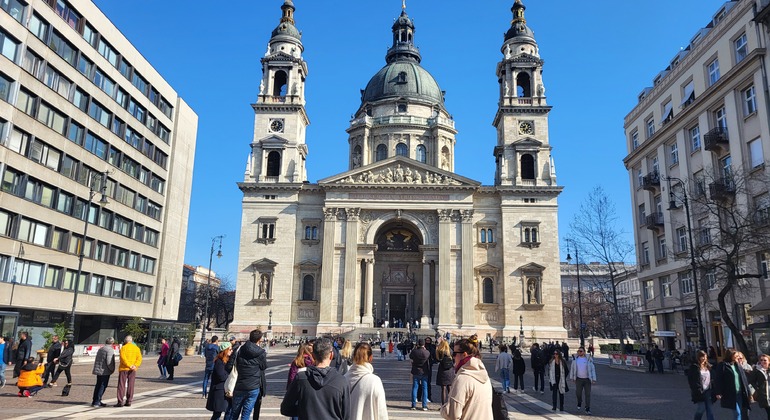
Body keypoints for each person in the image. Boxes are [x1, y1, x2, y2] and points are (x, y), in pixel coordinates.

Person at [280, 337, 350, 420]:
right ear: (331, 355)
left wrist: (305, 410)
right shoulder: (341, 381)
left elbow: (285, 409)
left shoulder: (301, 378)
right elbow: (346, 415)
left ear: (312, 355)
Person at [440, 338, 492, 419]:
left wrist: (443, 409)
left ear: (464, 355)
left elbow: (452, 414)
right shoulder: (485, 377)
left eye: (454, 354)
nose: (453, 357)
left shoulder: (463, 379)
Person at [227, 329, 267, 420]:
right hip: (253, 387)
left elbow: (229, 367)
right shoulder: (261, 352)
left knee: (234, 413)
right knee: (246, 414)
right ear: (259, 339)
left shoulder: (239, 349)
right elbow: (264, 366)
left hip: (239, 385)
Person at [345, 342, 388, 420]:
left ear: (353, 356)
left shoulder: (343, 379)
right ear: (371, 358)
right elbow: (381, 412)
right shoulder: (374, 381)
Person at [713, 349, 750, 420]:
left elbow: (743, 379)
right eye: (736, 356)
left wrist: (748, 391)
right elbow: (718, 380)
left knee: (741, 411)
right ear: (730, 356)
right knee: (737, 412)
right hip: (730, 393)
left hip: (740, 392)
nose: (737, 357)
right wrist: (718, 392)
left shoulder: (737, 365)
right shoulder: (723, 365)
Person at [207, 342, 233, 420]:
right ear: (225, 350)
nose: (231, 351)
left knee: (229, 410)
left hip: (225, 390)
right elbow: (221, 376)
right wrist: (229, 376)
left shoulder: (227, 361)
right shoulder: (219, 362)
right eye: (230, 349)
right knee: (217, 413)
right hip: (219, 391)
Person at [687, 350, 715, 420]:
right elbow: (692, 380)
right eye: (702, 357)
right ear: (698, 357)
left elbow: (713, 377)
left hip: (708, 390)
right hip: (700, 391)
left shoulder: (708, 366)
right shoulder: (695, 367)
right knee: (701, 408)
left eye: (705, 357)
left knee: (710, 410)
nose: (704, 359)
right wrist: (697, 390)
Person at [116, 335, 142, 407]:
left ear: (125, 341)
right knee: (131, 385)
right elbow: (139, 358)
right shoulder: (136, 348)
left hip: (124, 368)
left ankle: (120, 401)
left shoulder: (123, 348)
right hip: (133, 369)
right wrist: (135, 365)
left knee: (121, 385)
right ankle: (129, 401)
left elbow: (123, 358)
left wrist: (129, 365)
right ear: (131, 340)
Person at [569, 346, 596, 415]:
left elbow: (592, 369)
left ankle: (587, 408)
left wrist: (593, 379)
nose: (579, 352)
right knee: (578, 393)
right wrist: (572, 377)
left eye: (581, 351)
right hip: (578, 379)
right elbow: (572, 369)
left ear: (584, 352)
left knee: (588, 394)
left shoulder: (588, 359)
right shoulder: (575, 359)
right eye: (578, 351)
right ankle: (579, 401)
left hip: (587, 379)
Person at [91, 337, 116, 407]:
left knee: (98, 385)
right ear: (112, 343)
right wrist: (112, 369)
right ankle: (97, 401)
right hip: (105, 371)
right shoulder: (110, 350)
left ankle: (95, 400)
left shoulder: (101, 349)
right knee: (103, 386)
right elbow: (109, 361)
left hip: (98, 369)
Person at [410, 338, 431, 411]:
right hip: (424, 371)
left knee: (415, 387)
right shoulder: (427, 352)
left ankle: (413, 405)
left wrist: (416, 348)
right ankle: (424, 405)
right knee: (425, 388)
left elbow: (410, 357)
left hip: (416, 371)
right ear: (424, 344)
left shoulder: (414, 351)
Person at [750, 353, 770, 420]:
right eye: (761, 360)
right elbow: (752, 380)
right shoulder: (757, 370)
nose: (763, 362)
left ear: (769, 361)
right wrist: (758, 388)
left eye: (765, 360)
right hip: (764, 394)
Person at [435, 340, 454, 405]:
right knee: (450, 388)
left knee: (443, 388)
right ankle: (450, 404)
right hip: (450, 370)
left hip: (442, 370)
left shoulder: (440, 351)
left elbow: (437, 359)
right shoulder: (450, 351)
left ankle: (443, 405)